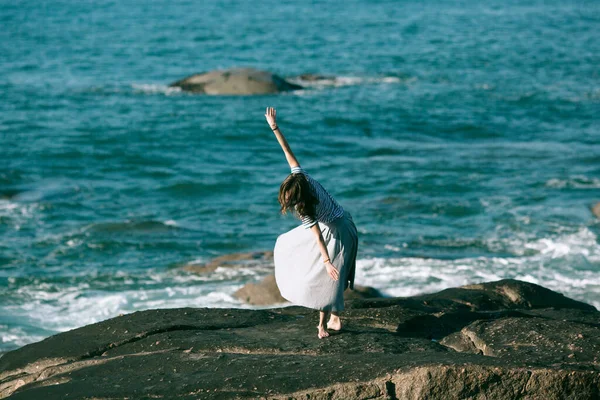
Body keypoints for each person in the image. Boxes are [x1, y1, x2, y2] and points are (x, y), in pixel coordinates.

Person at [265, 107, 359, 339]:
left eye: (288, 199)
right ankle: (334, 317)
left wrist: (326, 261)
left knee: (330, 277)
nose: (285, 201)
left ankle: (323, 324)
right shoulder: (301, 177)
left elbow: (318, 236)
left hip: (338, 230)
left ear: (297, 197)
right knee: (287, 244)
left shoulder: (306, 208)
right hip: (337, 221)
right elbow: (287, 151)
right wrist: (274, 127)